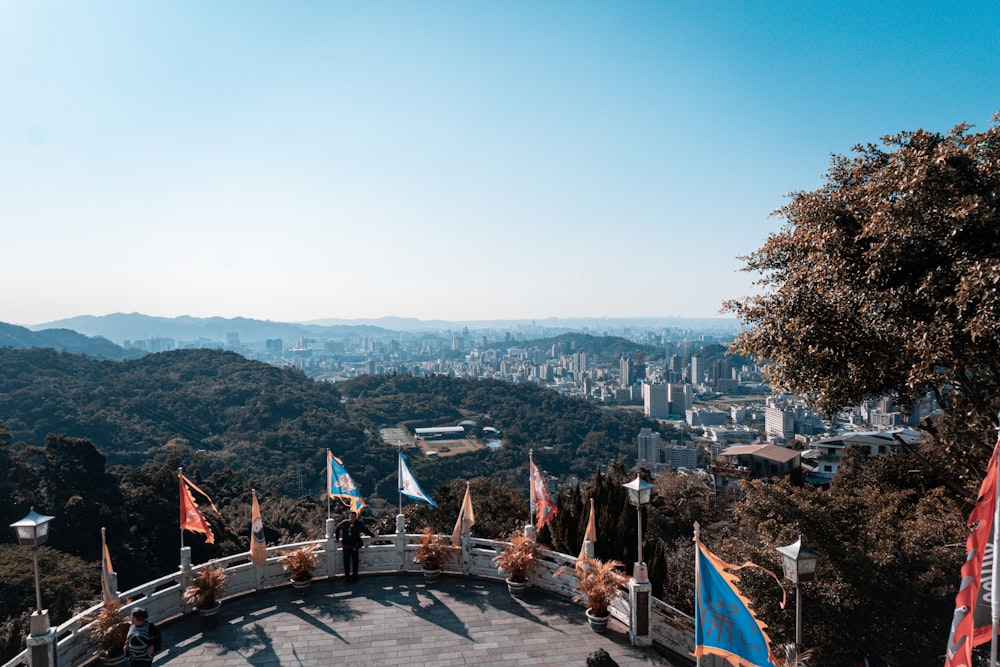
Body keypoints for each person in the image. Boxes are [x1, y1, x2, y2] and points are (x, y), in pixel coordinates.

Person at [334, 510, 374, 583]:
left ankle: (355, 577)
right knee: (346, 564)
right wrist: (337, 538)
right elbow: (337, 528)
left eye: (353, 518)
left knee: (355, 563)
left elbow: (365, 530)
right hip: (346, 546)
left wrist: (373, 535)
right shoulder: (345, 523)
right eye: (350, 517)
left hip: (354, 546)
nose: (351, 519)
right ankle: (347, 579)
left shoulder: (358, 524)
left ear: (356, 518)